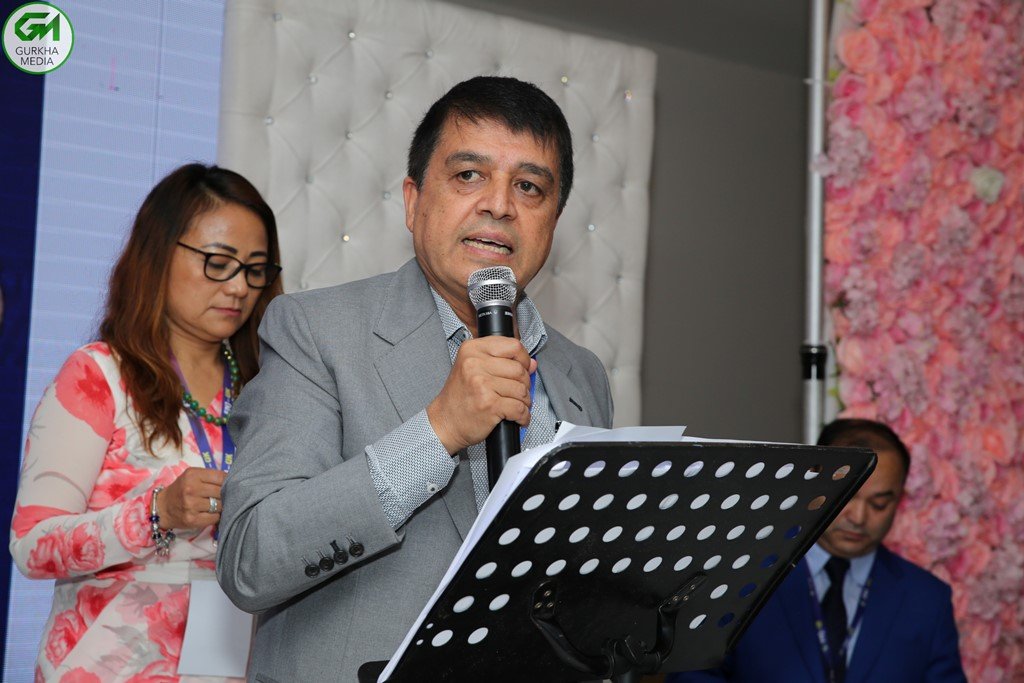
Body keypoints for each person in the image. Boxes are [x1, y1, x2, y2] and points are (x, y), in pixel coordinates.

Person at [216, 76, 614, 681]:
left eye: (529, 186)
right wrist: (438, 431)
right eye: (469, 175)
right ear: (413, 200)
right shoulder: (314, 330)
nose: (500, 205)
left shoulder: (581, 374)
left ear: (553, 221)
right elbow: (251, 558)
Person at [10, 163, 283, 682]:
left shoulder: (267, 386)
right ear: (159, 253)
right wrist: (156, 513)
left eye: (255, 270)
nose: (238, 287)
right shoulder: (99, 376)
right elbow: (32, 546)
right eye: (218, 263)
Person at [666, 418, 966, 683]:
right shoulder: (740, 574)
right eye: (847, 494)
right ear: (815, 478)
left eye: (879, 504)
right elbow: (692, 676)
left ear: (900, 500)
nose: (858, 517)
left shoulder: (926, 600)